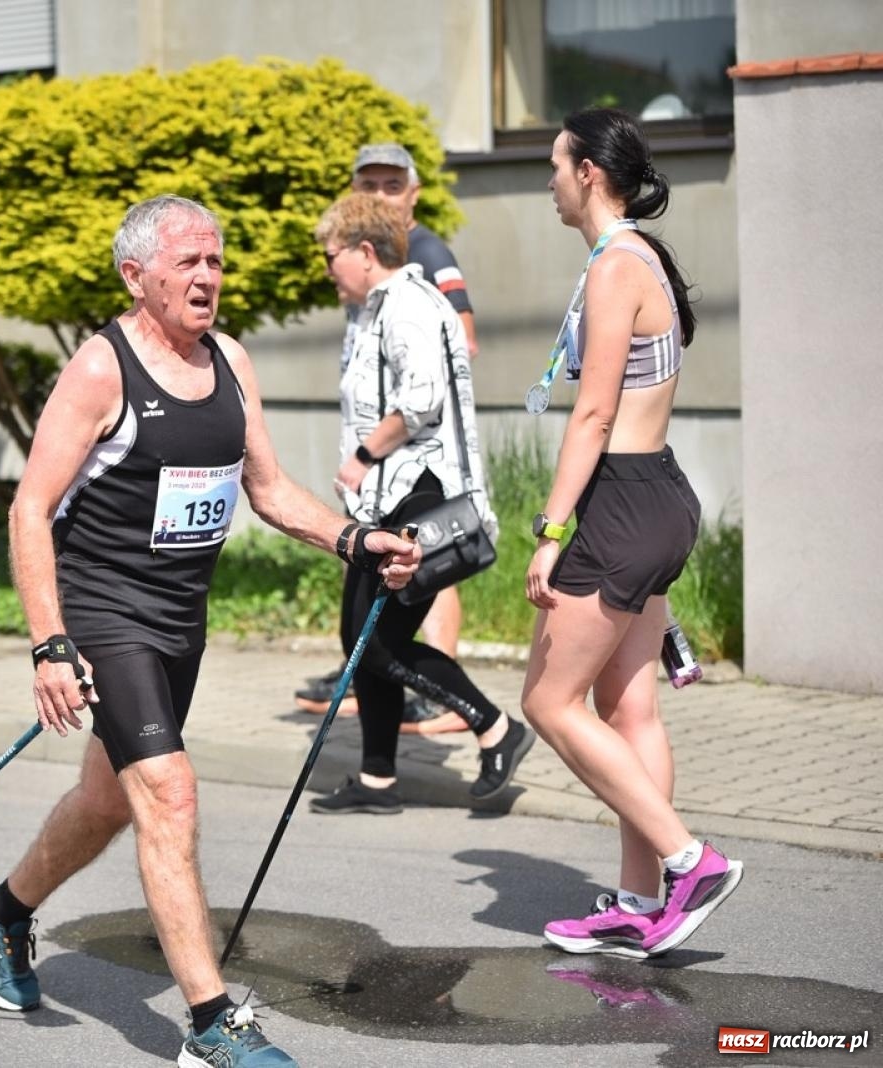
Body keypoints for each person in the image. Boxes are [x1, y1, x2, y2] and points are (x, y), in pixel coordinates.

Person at [0, 195, 419, 1067]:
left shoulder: (231, 362)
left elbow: (270, 490)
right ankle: (212, 1028)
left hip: (179, 624)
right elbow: (29, 509)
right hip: (105, 614)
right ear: (137, 277)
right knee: (168, 793)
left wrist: (358, 542)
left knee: (106, 801)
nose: (207, 278)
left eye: (215, 261)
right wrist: (51, 645)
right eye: (187, 264)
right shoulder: (101, 369)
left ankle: (2, 913)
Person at [524, 108, 740, 958]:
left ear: (587, 173)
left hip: (619, 499)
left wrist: (551, 527)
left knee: (547, 700)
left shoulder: (618, 266)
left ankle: (689, 862)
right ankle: (637, 902)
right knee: (629, 705)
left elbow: (595, 413)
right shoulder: (637, 257)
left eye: (553, 164)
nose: (547, 179)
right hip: (657, 494)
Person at [305, 193, 535, 817]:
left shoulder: (408, 304)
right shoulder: (369, 310)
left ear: (364, 251)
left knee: (377, 641)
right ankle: (377, 779)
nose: (326, 267)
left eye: (331, 255)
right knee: (359, 635)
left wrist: (359, 459)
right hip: (384, 498)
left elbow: (422, 400)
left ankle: (495, 728)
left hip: (420, 492)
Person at [294, 144, 477, 727]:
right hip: (382, 474)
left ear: (414, 193)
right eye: (367, 184)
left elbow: (456, 344)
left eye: (391, 185)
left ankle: (444, 694)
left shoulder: (422, 255)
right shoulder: (366, 272)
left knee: (425, 575)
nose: (379, 195)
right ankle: (382, 745)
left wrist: (378, 445)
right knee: (370, 609)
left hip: (413, 465)